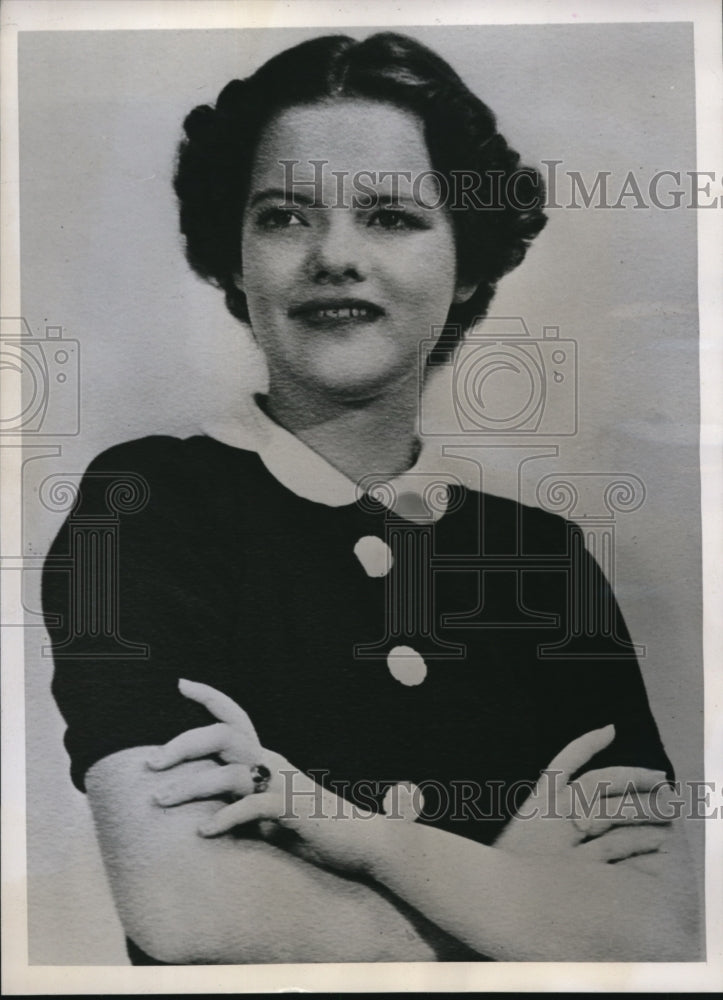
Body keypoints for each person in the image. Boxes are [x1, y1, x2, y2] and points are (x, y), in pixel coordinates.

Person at [42, 32, 698, 964]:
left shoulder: (543, 562)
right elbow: (189, 910)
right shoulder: (145, 506)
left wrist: (354, 835)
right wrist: (507, 903)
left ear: (468, 264)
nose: (333, 257)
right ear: (232, 258)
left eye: (390, 216)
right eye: (283, 216)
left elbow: (650, 932)